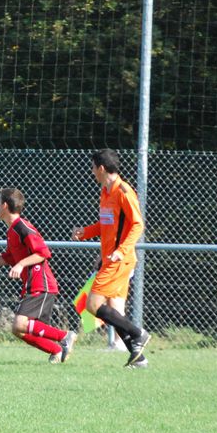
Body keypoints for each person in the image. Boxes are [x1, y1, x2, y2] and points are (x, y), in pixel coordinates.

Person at [0, 188, 76, 363]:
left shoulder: (22, 227)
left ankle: (65, 336)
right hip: (32, 284)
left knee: (19, 324)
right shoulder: (12, 231)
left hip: (41, 283)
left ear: (4, 205)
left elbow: (43, 252)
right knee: (19, 329)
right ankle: (56, 350)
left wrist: (21, 264)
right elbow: (8, 257)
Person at [71, 148, 150, 368]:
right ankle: (138, 355)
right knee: (113, 311)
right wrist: (85, 232)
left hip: (119, 261)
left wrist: (120, 251)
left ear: (102, 168)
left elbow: (137, 224)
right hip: (109, 259)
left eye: (93, 167)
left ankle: (138, 333)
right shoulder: (105, 191)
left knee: (93, 304)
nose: (92, 171)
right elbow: (107, 226)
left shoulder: (123, 191)